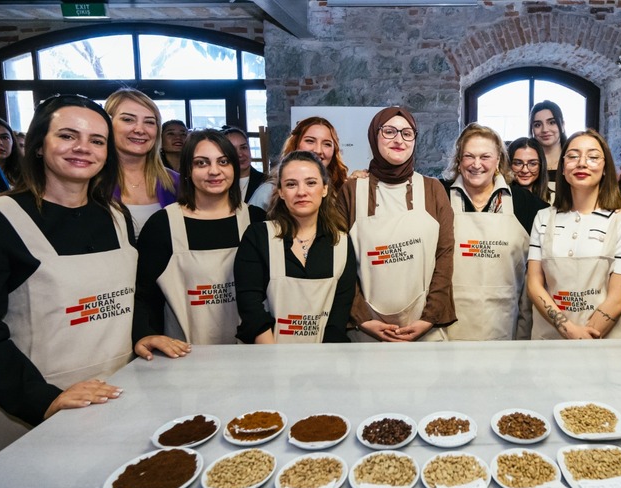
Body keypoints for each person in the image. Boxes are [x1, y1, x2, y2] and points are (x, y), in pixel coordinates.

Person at [0, 95, 178, 475]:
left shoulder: (115, 216)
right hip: (22, 415)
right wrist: (44, 399)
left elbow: (129, 293)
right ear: (39, 145)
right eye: (67, 135)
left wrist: (141, 333)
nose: (83, 148)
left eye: (97, 140)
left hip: (112, 401)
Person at [134, 129, 266, 348]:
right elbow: (144, 296)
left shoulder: (256, 220)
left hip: (250, 355)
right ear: (187, 170)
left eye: (223, 162)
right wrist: (145, 334)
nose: (214, 171)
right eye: (202, 163)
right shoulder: (163, 225)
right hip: (185, 357)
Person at [337, 106, 455, 342]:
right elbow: (340, 263)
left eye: (407, 133)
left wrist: (428, 318)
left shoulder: (433, 190)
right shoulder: (351, 191)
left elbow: (444, 257)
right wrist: (362, 317)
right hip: (365, 332)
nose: (399, 139)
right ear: (374, 135)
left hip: (425, 331)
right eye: (389, 131)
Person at [527, 129, 621, 340]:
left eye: (593, 157)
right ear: (562, 168)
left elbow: (618, 298)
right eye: (573, 156)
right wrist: (568, 330)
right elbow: (534, 284)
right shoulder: (543, 218)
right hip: (550, 341)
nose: (582, 163)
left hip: (602, 342)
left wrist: (585, 338)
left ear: (605, 168)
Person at [235, 151, 355, 343]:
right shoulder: (258, 237)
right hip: (267, 358)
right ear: (281, 192)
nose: (301, 192)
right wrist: (275, 362)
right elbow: (251, 309)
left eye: (311, 182)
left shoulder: (341, 242)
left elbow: (337, 319)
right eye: (291, 184)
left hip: (322, 362)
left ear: (324, 189)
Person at [443, 124, 548, 340]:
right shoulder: (439, 196)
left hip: (505, 325)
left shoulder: (526, 204)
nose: (476, 164)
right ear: (458, 160)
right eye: (468, 156)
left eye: (485, 157)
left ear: (498, 160)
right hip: (449, 328)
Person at [104, 88, 179, 239]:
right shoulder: (89, 182)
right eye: (128, 119)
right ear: (107, 124)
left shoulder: (176, 182)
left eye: (149, 122)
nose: (140, 129)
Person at [248, 116, 349, 210]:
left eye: (327, 144)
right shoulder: (268, 192)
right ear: (295, 144)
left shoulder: (340, 190)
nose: (318, 150)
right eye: (310, 141)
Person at [529, 100, 568, 200]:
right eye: (537, 125)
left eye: (552, 122)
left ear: (562, 125)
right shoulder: (525, 163)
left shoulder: (573, 161)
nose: (545, 130)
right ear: (532, 129)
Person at [221, 126, 266, 204]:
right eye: (233, 149)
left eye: (244, 147)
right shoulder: (219, 182)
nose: (240, 154)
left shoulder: (266, 182)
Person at [507, 137, 551, 203]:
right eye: (518, 163)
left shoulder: (554, 198)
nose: (525, 170)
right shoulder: (500, 197)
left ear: (541, 165)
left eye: (532, 164)